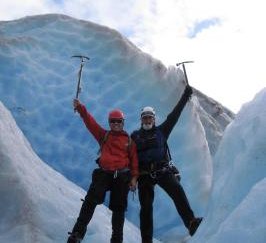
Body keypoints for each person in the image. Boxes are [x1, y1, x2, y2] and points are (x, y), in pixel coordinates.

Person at [131, 85, 202, 243]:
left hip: (162, 171)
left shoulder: (162, 131)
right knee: (146, 209)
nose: (147, 119)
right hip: (144, 176)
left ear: (154, 119)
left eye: (150, 117)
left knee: (177, 190)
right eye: (145, 117)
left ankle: (190, 222)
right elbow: (129, 156)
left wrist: (185, 96)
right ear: (141, 119)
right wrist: (131, 176)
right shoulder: (134, 136)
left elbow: (174, 116)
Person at [67, 99, 139, 243]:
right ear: (109, 123)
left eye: (118, 121)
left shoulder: (130, 142)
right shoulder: (103, 135)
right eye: (113, 121)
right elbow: (90, 122)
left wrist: (134, 178)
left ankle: (116, 240)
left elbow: (135, 162)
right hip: (104, 174)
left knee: (118, 210)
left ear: (123, 122)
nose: (116, 124)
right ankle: (77, 234)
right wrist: (80, 108)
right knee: (90, 201)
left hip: (122, 176)